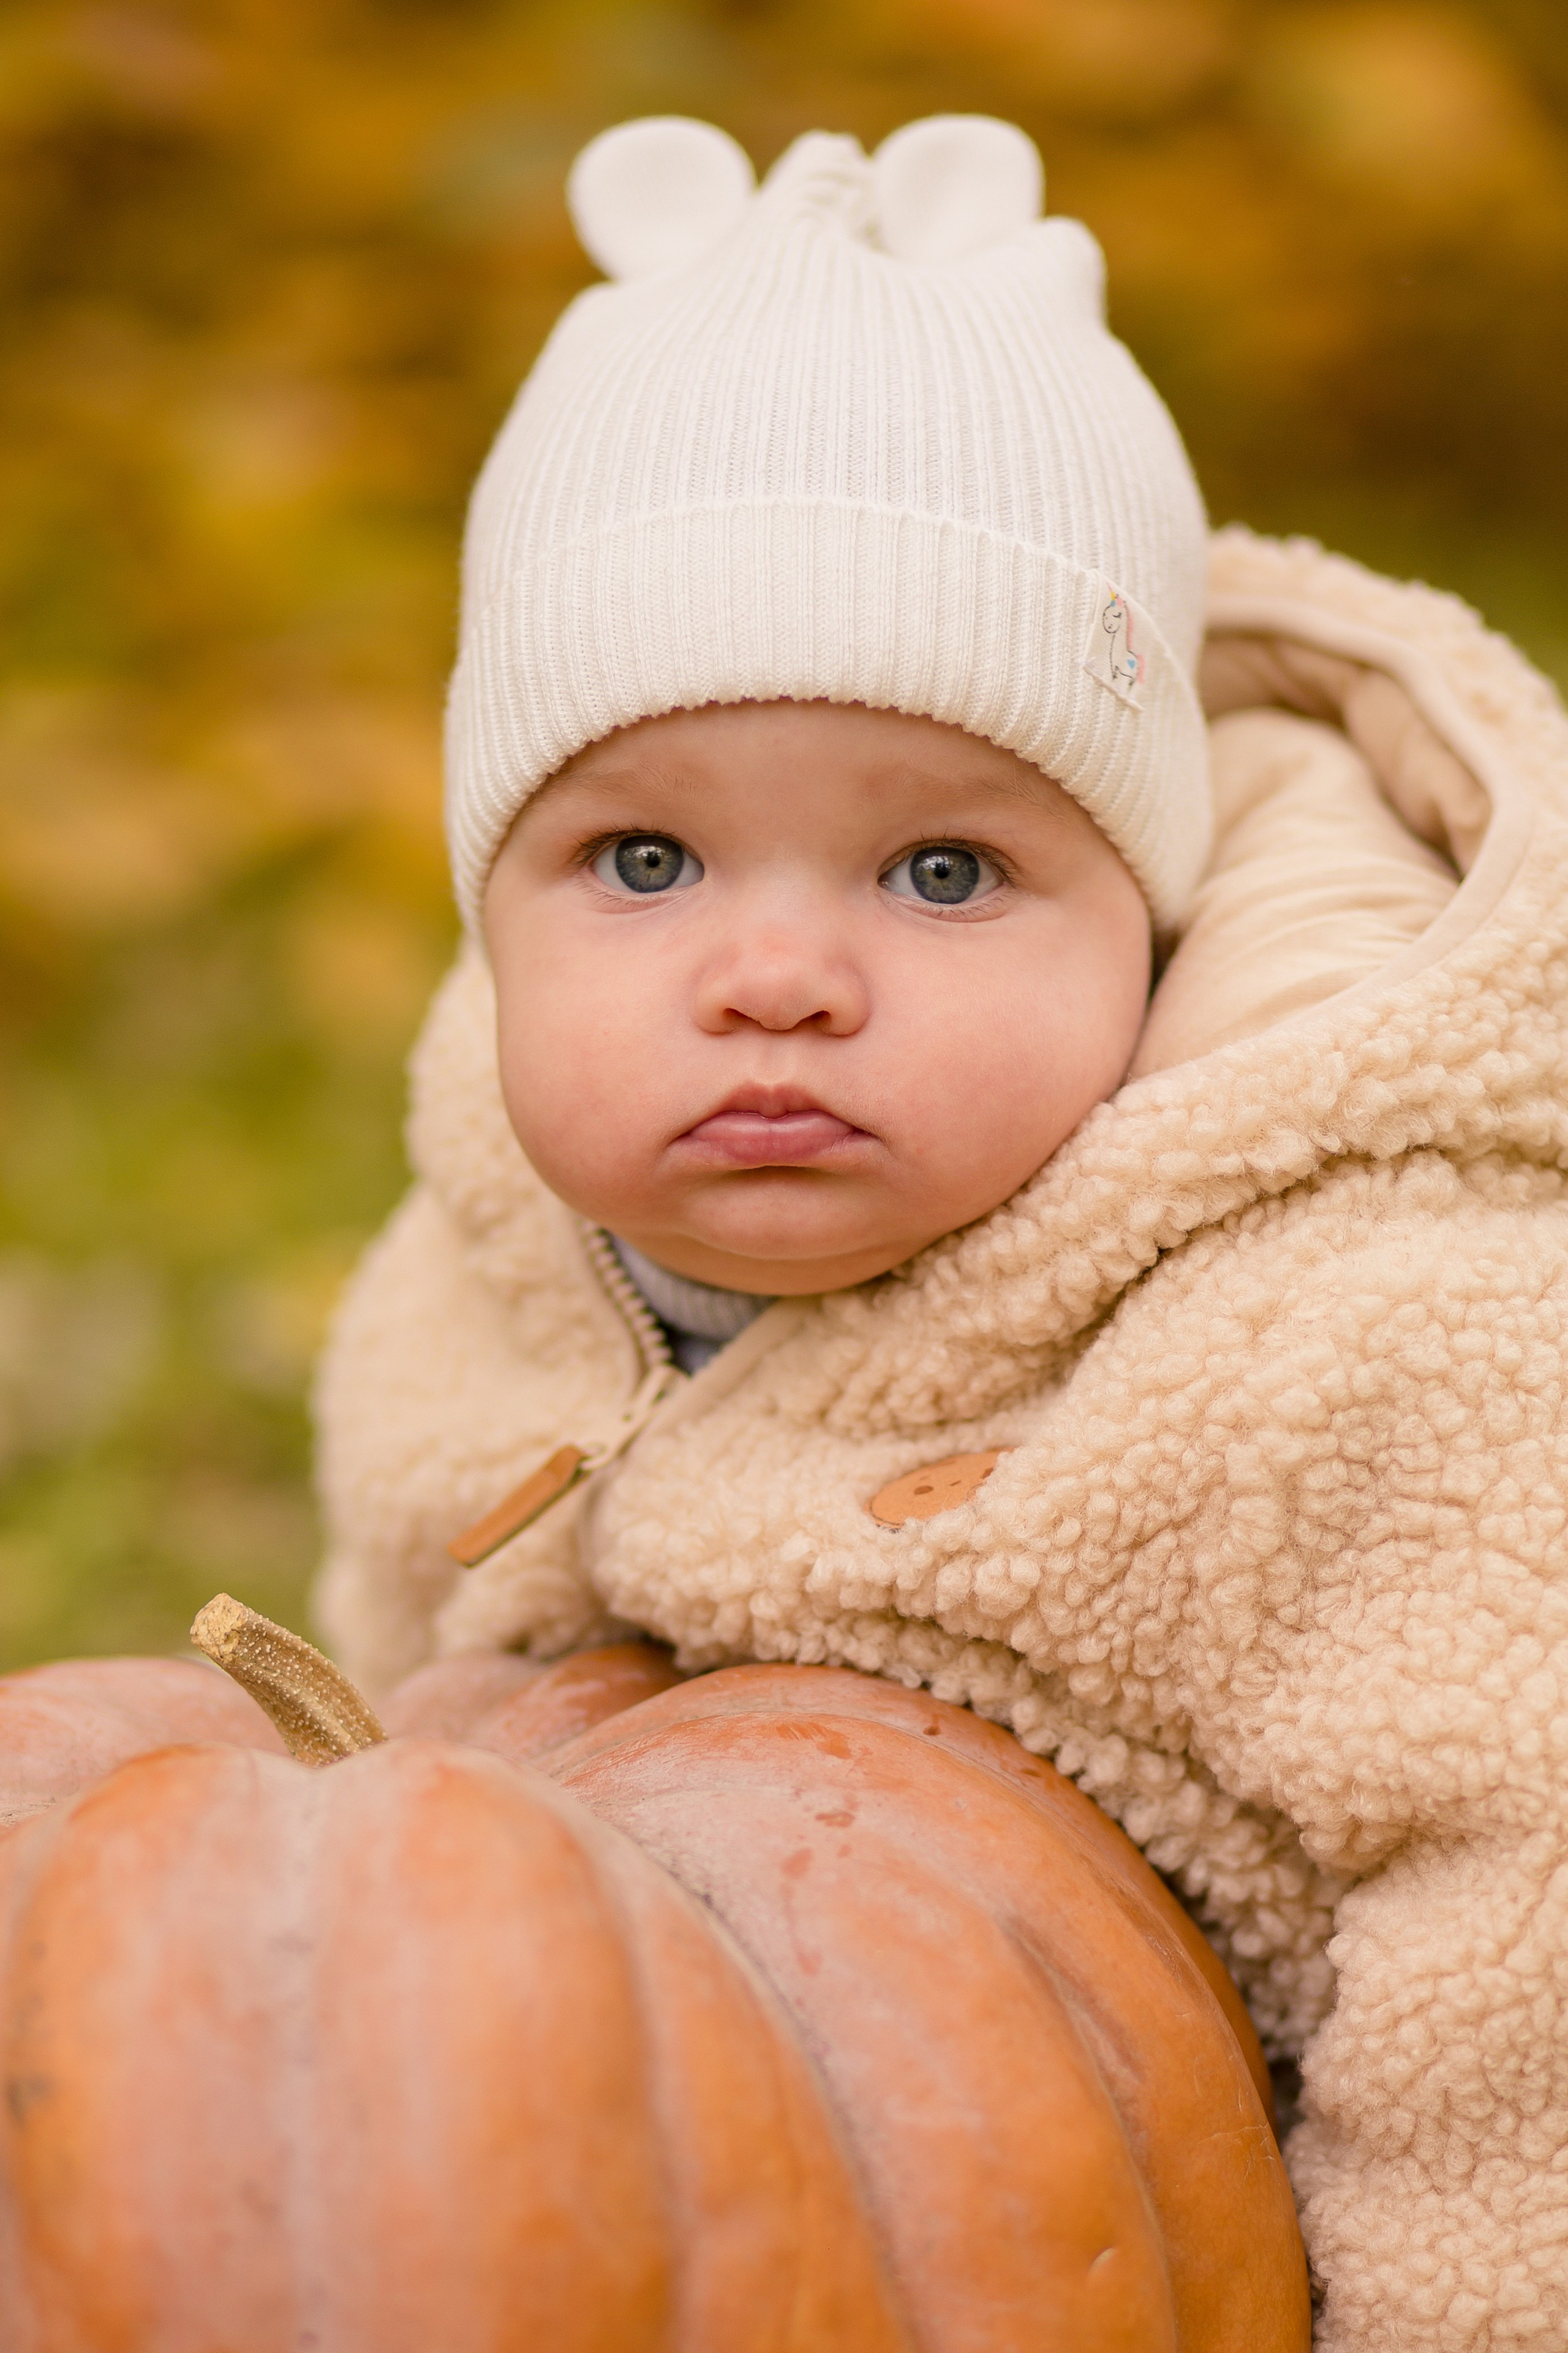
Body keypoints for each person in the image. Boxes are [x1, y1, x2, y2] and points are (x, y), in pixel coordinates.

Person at [312, 113, 1568, 2349]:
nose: (777, 976)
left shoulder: (1364, 1334)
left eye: (943, 872)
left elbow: (1526, 1935)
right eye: (642, 861)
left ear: (1147, 916)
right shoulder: (490, 1263)